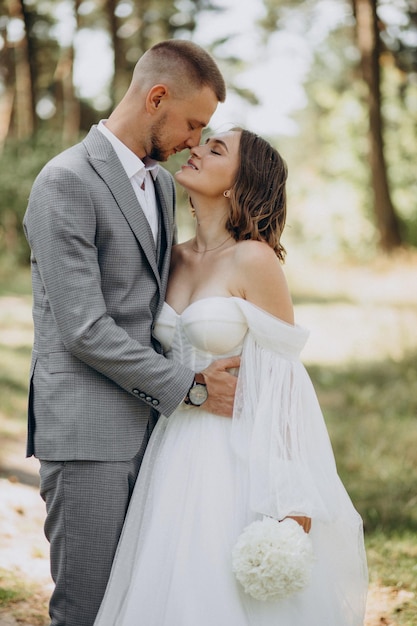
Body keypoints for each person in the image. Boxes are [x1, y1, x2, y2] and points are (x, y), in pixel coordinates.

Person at [93, 127, 368, 626]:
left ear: (239, 184)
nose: (195, 148)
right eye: (203, 142)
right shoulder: (169, 257)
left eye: (216, 149)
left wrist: (292, 499)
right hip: (173, 450)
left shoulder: (254, 259)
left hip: (239, 456)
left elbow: (285, 386)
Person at [22, 40, 240, 626]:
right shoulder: (64, 181)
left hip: (157, 434)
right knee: (89, 608)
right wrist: (191, 386)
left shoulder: (164, 188)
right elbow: (86, 330)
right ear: (157, 97)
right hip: (88, 436)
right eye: (193, 124)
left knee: (143, 605)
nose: (195, 141)